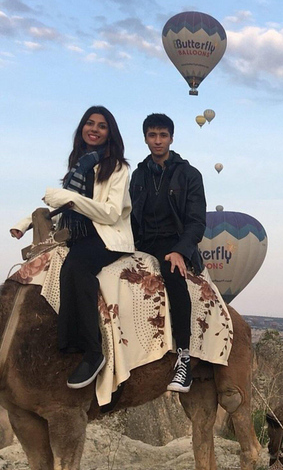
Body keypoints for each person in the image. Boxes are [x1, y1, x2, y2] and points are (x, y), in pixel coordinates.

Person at [10, 106, 133, 389]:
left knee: (75, 268)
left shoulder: (117, 167)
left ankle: (92, 351)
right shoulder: (80, 165)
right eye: (89, 124)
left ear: (110, 133)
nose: (95, 129)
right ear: (81, 130)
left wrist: (68, 197)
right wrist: (27, 221)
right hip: (74, 234)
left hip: (106, 237)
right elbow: (64, 205)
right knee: (32, 272)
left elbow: (111, 213)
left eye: (102, 126)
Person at [130, 113, 206, 393]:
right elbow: (130, 217)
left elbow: (197, 221)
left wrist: (180, 251)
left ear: (172, 138)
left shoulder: (189, 175)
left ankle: (183, 356)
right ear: (145, 138)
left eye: (163, 135)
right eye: (152, 135)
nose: (157, 141)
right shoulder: (138, 175)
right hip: (141, 242)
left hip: (173, 242)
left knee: (174, 277)